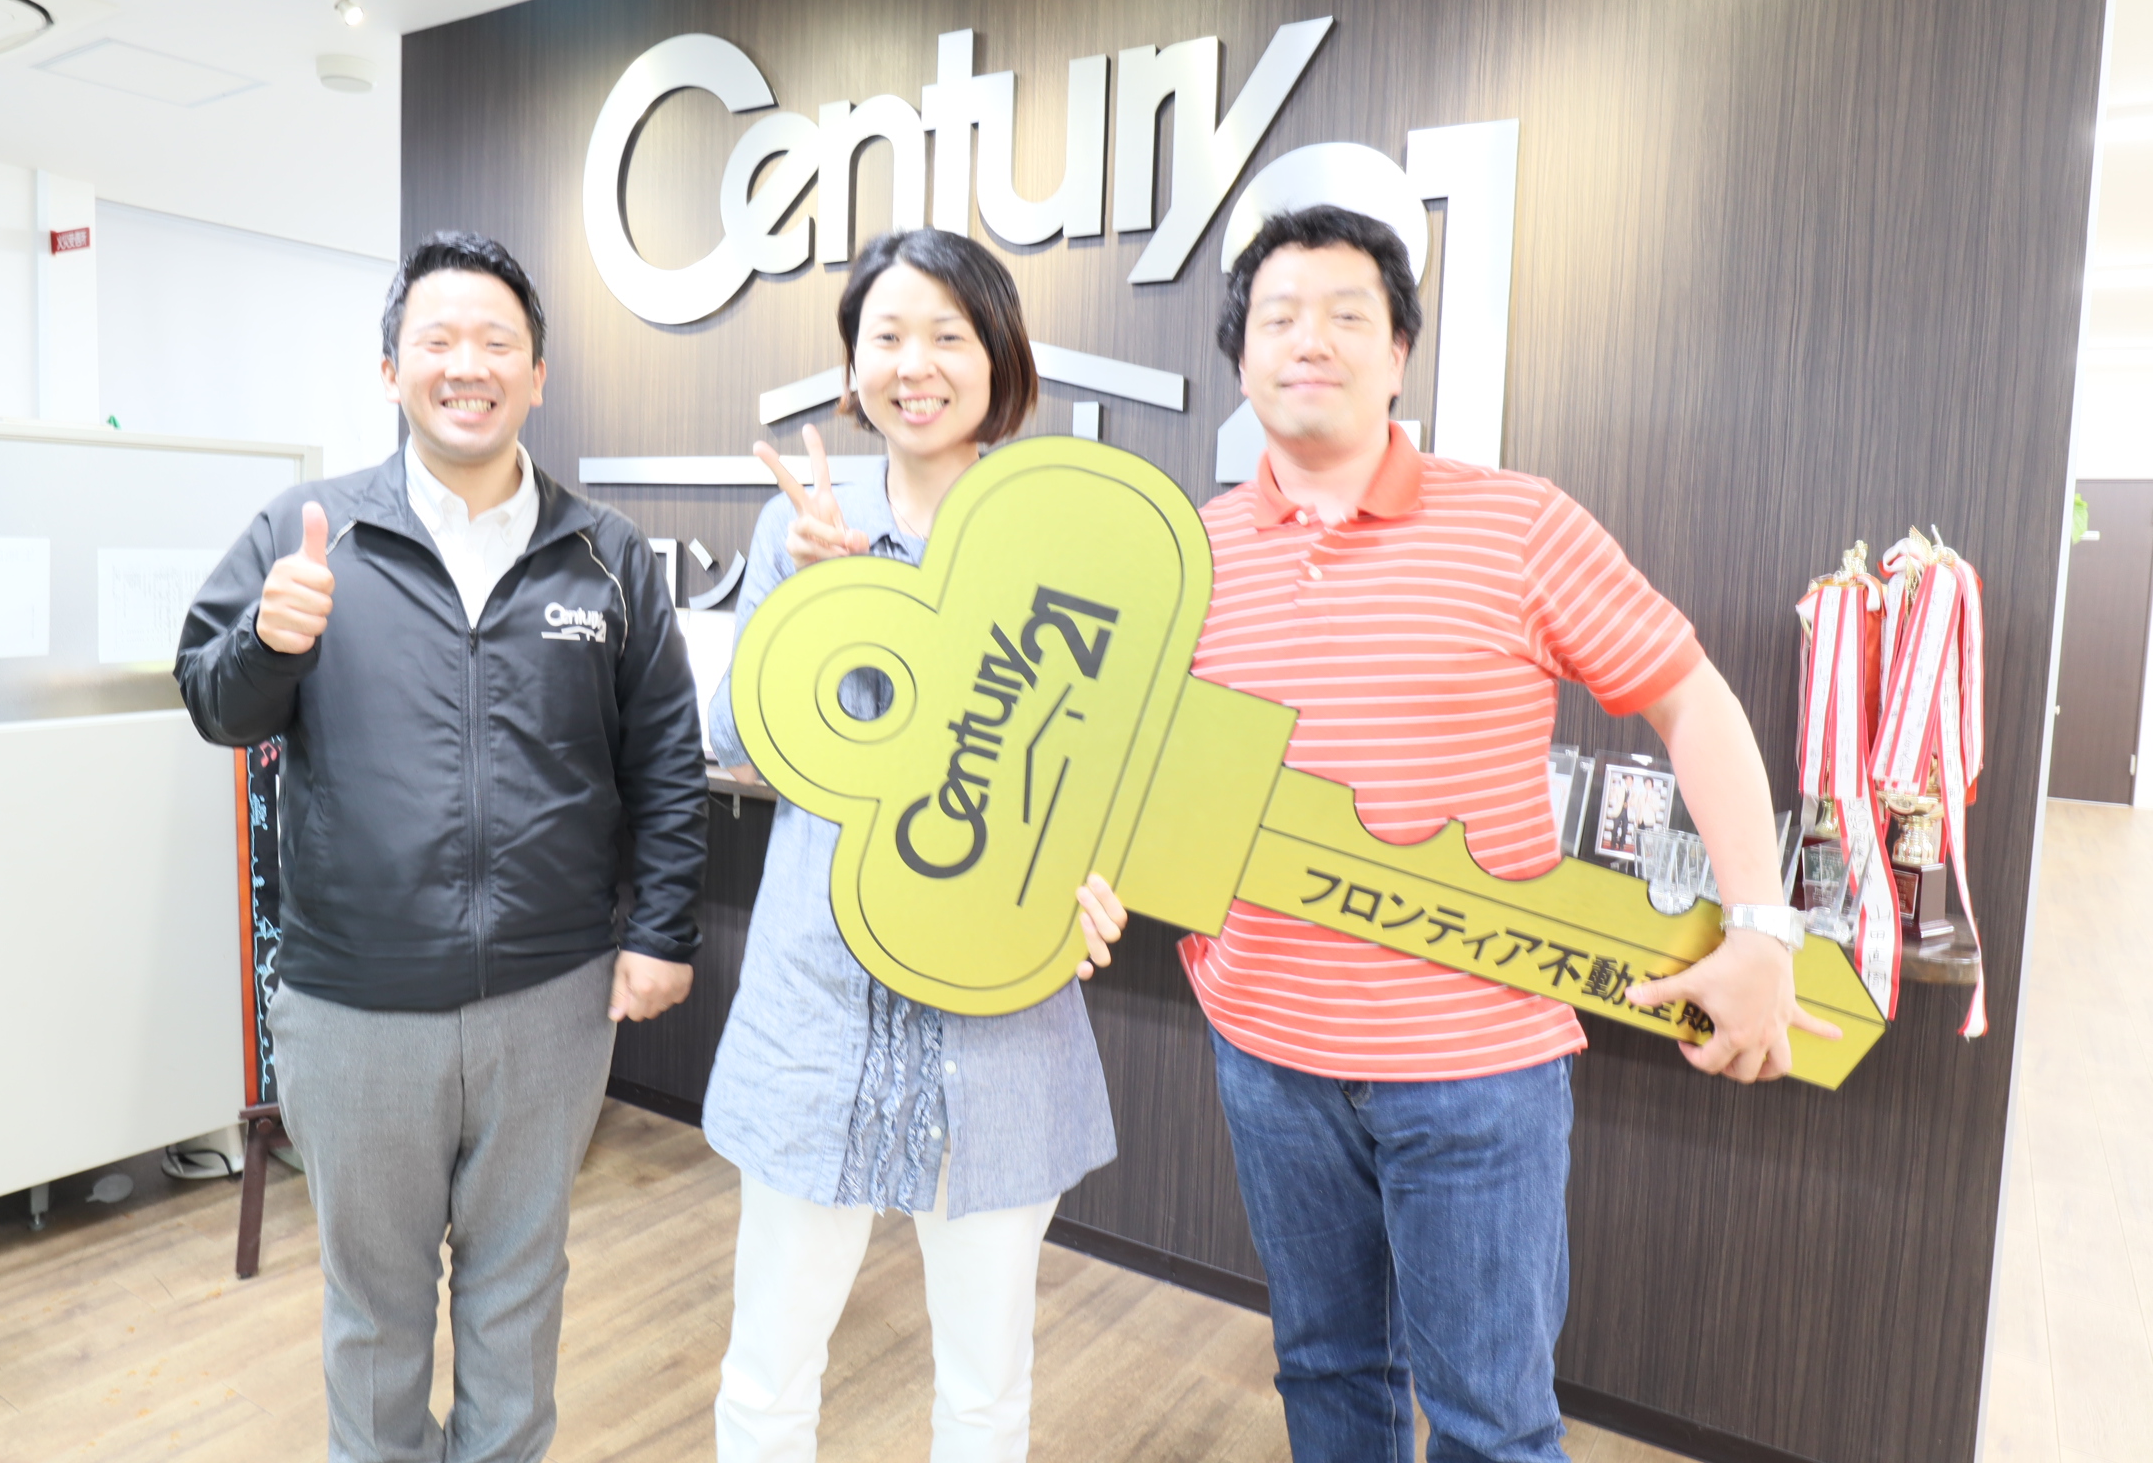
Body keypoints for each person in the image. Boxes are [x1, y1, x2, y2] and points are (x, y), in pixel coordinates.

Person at [1183, 204, 1838, 1463]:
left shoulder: (1517, 521)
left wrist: (1763, 925)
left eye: (1347, 315)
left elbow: (1691, 699)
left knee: (1491, 1417)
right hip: (1264, 1049)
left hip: (1475, 1064)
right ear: (1242, 355)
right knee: (1325, 1369)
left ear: (1398, 353)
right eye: (1278, 317)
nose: (1309, 339)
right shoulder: (1195, 552)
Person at [175, 231, 707, 1463]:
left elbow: (665, 758)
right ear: (391, 369)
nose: (468, 364)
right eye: (439, 340)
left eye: (497, 342)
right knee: (374, 1310)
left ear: (537, 374)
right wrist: (267, 641)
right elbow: (214, 703)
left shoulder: (605, 555)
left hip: (550, 994)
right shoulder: (307, 532)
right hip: (355, 999)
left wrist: (662, 932)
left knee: (521, 1291)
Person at [703, 228, 1129, 1463]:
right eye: (885, 336)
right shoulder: (803, 528)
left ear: (999, 357)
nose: (914, 363)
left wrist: (1098, 882)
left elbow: (1104, 770)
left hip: (999, 1025)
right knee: (770, 1371)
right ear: (853, 368)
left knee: (986, 1389)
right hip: (817, 1013)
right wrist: (802, 591)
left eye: (947, 333)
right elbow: (731, 736)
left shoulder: (1063, 545)